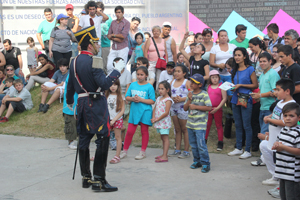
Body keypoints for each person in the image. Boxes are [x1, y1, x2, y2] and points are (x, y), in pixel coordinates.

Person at [67, 25, 124, 191]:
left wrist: (71, 101)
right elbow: (105, 84)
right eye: (97, 43)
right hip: (96, 105)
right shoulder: (95, 61)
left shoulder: (74, 61)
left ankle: (86, 178)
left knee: (84, 140)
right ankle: (99, 180)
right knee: (103, 139)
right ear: (90, 45)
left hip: (82, 105)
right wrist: (117, 70)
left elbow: (70, 86)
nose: (99, 45)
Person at [259, 79, 295, 188]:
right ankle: (275, 176)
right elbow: (275, 114)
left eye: (278, 90)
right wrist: (268, 117)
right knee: (264, 146)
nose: (276, 92)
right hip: (273, 136)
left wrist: (270, 121)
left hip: (282, 139)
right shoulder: (280, 102)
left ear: (287, 91)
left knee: (280, 159)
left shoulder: (291, 105)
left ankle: (280, 182)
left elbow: (285, 122)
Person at [228, 47, 258, 159]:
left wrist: (241, 86)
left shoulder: (250, 69)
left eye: (239, 55)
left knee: (246, 125)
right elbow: (234, 83)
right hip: (235, 99)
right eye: (235, 55)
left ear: (245, 56)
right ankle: (239, 147)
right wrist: (233, 87)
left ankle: (248, 150)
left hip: (245, 98)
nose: (237, 57)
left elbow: (255, 85)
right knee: (238, 124)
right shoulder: (234, 70)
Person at [250, 52, 280, 164]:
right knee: (264, 133)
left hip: (270, 108)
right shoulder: (262, 74)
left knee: (265, 133)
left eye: (264, 61)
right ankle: (265, 158)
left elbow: (274, 91)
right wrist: (258, 97)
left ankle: (264, 159)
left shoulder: (273, 74)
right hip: (263, 106)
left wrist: (260, 95)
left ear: (270, 62)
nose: (262, 63)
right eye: (260, 61)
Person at [119, 66, 155, 160]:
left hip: (146, 111)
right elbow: (127, 97)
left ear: (146, 75)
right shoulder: (133, 85)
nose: (139, 76)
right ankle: (124, 151)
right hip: (134, 111)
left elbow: (152, 101)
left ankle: (142, 152)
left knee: (144, 130)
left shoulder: (149, 86)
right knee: (130, 131)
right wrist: (132, 99)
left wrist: (141, 99)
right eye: (138, 74)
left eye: (142, 74)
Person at [183, 73, 212, 173]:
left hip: (200, 125)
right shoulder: (190, 94)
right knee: (193, 144)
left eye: (194, 82)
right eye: (191, 81)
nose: (191, 84)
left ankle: (206, 163)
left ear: (200, 84)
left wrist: (196, 107)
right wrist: (189, 100)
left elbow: (209, 107)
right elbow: (185, 108)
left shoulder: (204, 94)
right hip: (190, 124)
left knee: (201, 145)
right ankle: (197, 161)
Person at [272, 102, 300, 200]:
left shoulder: (298, 132)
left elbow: (298, 151)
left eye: (291, 116)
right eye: (285, 115)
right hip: (281, 171)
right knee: (283, 196)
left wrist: (283, 147)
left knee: (291, 197)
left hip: (292, 174)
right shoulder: (284, 130)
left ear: (299, 118)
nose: (288, 118)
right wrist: (276, 145)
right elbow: (278, 142)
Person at [169, 64, 191, 158]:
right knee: (177, 129)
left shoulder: (187, 82)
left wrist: (182, 99)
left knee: (185, 129)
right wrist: (172, 98)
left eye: (179, 71)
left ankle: (186, 151)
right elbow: (168, 93)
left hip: (183, 108)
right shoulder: (172, 82)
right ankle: (177, 150)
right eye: (175, 71)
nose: (176, 73)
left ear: (184, 73)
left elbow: (192, 94)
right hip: (174, 108)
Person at [210, 30, 236, 96]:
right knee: (219, 93)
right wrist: (218, 65)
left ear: (227, 37)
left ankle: (230, 105)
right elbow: (211, 63)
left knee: (231, 93)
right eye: (222, 36)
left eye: (225, 36)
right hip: (219, 75)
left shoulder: (233, 47)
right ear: (218, 37)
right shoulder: (214, 48)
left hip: (230, 74)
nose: (224, 37)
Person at [151, 81, 173, 162]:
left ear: (167, 90)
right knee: (162, 138)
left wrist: (157, 119)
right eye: (159, 88)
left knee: (165, 138)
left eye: (162, 89)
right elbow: (155, 108)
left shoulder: (168, 100)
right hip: (159, 122)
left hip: (164, 123)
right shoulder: (159, 98)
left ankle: (165, 156)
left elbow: (166, 112)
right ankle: (164, 154)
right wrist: (153, 117)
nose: (160, 90)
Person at [205, 70, 227, 150]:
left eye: (216, 77)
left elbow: (224, 99)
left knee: (219, 125)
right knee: (207, 125)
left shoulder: (221, 86)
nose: (214, 79)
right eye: (213, 77)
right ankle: (205, 140)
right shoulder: (208, 87)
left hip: (218, 109)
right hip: (209, 109)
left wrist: (217, 108)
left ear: (219, 78)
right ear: (210, 79)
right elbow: (206, 97)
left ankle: (220, 142)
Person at [106, 79, 125, 164]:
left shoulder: (120, 97)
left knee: (118, 137)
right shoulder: (106, 96)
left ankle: (117, 156)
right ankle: (99, 154)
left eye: (115, 85)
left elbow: (122, 110)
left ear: (118, 86)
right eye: (111, 84)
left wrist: (114, 120)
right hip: (107, 119)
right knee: (103, 137)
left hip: (117, 119)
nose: (113, 87)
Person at [107, 6, 130, 73]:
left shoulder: (126, 23)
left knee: (121, 67)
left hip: (123, 48)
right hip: (114, 48)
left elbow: (123, 36)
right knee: (109, 66)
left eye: (119, 12)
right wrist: (117, 38)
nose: (117, 14)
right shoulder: (113, 22)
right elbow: (108, 35)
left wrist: (113, 35)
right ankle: (111, 82)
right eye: (116, 12)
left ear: (123, 13)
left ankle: (121, 83)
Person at [62, 74, 78, 150]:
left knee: (79, 124)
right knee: (71, 125)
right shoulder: (71, 75)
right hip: (70, 105)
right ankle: (71, 141)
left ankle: (80, 140)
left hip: (80, 104)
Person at [97, 1, 112, 69]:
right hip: (96, 45)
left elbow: (112, 30)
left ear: (102, 10)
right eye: (97, 10)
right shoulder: (94, 18)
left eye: (100, 10)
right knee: (97, 64)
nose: (98, 12)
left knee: (105, 64)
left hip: (105, 44)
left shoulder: (108, 18)